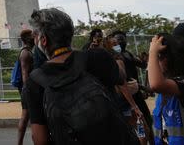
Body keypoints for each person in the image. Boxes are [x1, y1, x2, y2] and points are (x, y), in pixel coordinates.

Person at [24, 8, 137, 145]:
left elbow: (40, 139)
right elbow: (121, 76)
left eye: (36, 36)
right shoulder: (98, 57)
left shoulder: (35, 81)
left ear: (43, 40)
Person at [110, 30, 152, 141]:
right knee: (139, 126)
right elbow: (124, 81)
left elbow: (142, 65)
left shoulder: (128, 54)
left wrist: (147, 59)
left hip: (135, 93)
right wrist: (143, 87)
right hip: (127, 97)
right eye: (117, 39)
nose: (120, 41)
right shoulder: (115, 58)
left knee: (146, 120)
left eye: (122, 38)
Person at [16, 29, 35, 145]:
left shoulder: (28, 51)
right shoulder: (25, 53)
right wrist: (29, 90)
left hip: (28, 89)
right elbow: (25, 74)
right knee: (25, 117)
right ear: (27, 38)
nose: (34, 37)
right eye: (32, 36)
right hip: (28, 90)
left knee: (27, 116)